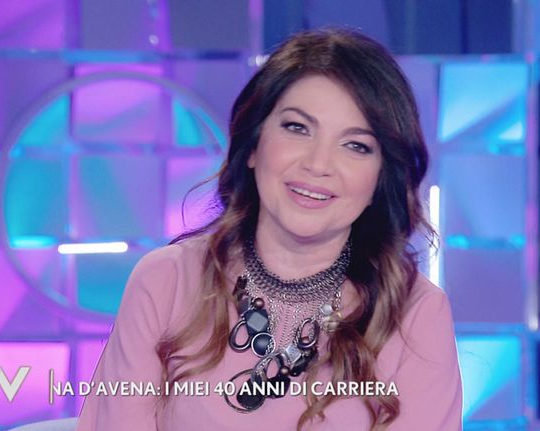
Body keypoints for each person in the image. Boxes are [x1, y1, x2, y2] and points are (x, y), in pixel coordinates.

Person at [75, 28, 462, 430]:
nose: (318, 164)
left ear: (380, 181)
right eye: (297, 128)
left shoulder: (416, 315)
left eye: (356, 146)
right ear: (253, 146)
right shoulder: (166, 280)